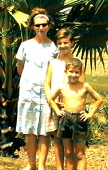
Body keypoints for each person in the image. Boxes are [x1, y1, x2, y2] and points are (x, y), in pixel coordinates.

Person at [16, 7, 59, 170]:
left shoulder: (54, 48)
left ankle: (41, 166)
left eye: (44, 25)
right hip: (28, 93)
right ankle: (31, 164)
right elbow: (20, 68)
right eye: (37, 25)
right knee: (30, 131)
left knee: (44, 131)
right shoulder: (25, 46)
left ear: (49, 25)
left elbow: (57, 69)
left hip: (47, 94)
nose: (41, 28)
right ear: (32, 26)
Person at [48, 57, 103, 170]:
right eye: (71, 72)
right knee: (68, 153)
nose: (73, 75)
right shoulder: (62, 87)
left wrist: (90, 114)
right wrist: (57, 110)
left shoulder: (85, 86)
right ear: (66, 72)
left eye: (76, 72)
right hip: (65, 119)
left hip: (79, 120)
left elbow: (99, 100)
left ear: (80, 72)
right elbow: (50, 99)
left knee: (79, 154)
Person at [44, 28, 85, 170]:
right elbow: (46, 83)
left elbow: (82, 87)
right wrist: (51, 100)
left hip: (71, 108)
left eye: (66, 42)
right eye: (59, 43)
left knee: (72, 144)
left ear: (72, 43)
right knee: (58, 140)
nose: (63, 46)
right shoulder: (53, 63)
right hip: (56, 107)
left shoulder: (78, 62)